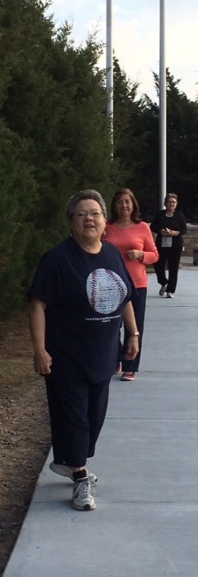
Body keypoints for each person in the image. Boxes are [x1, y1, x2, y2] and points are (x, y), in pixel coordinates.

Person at [28, 190, 139, 512]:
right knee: (74, 417)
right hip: (66, 356)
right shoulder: (57, 259)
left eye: (95, 213)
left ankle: (70, 460)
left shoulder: (112, 254)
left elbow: (125, 296)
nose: (89, 219)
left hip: (103, 354)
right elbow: (38, 305)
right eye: (81, 214)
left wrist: (133, 334)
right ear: (71, 222)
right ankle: (79, 476)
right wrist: (39, 349)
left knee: (94, 417)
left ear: (105, 221)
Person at [104, 188, 159, 381]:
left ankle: (130, 366)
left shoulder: (142, 227)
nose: (124, 205)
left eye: (127, 202)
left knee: (134, 327)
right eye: (120, 202)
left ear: (133, 205)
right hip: (110, 283)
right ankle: (115, 358)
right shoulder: (106, 226)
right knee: (111, 325)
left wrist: (140, 254)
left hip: (136, 284)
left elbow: (155, 255)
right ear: (114, 205)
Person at [150, 193, 187, 298]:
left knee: (173, 268)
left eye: (174, 202)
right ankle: (163, 282)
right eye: (170, 202)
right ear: (165, 203)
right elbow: (153, 226)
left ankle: (170, 290)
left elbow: (184, 229)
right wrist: (160, 231)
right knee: (158, 264)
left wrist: (175, 233)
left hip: (175, 244)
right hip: (162, 244)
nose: (172, 204)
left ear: (176, 204)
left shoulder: (179, 215)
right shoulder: (160, 214)